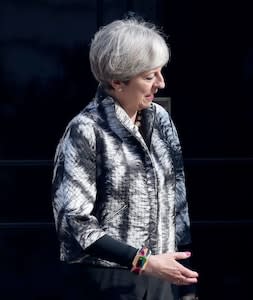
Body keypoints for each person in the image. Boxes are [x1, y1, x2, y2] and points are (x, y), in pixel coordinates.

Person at [52, 17, 198, 300]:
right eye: (149, 76)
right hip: (107, 283)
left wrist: (187, 284)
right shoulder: (86, 130)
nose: (161, 83)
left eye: (160, 72)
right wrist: (142, 261)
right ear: (117, 81)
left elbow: (178, 205)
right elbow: (74, 221)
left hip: (163, 280)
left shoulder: (162, 120)